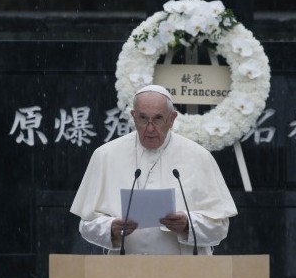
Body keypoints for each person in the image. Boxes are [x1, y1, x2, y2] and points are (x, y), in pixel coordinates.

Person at [70, 84, 238, 255]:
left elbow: (220, 228)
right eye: (143, 118)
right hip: (124, 274)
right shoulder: (105, 155)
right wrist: (110, 227)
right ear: (133, 116)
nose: (150, 128)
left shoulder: (199, 157)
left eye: (158, 119)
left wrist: (188, 224)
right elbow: (86, 225)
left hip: (184, 274)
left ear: (172, 119)